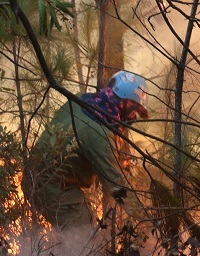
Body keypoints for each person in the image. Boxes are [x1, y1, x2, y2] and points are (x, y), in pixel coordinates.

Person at [25, 71, 149, 229]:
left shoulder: (82, 100)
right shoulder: (99, 134)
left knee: (87, 219)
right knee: (85, 236)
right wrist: (151, 221)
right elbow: (118, 188)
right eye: (133, 109)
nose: (133, 117)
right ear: (123, 103)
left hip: (37, 175)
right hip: (49, 186)